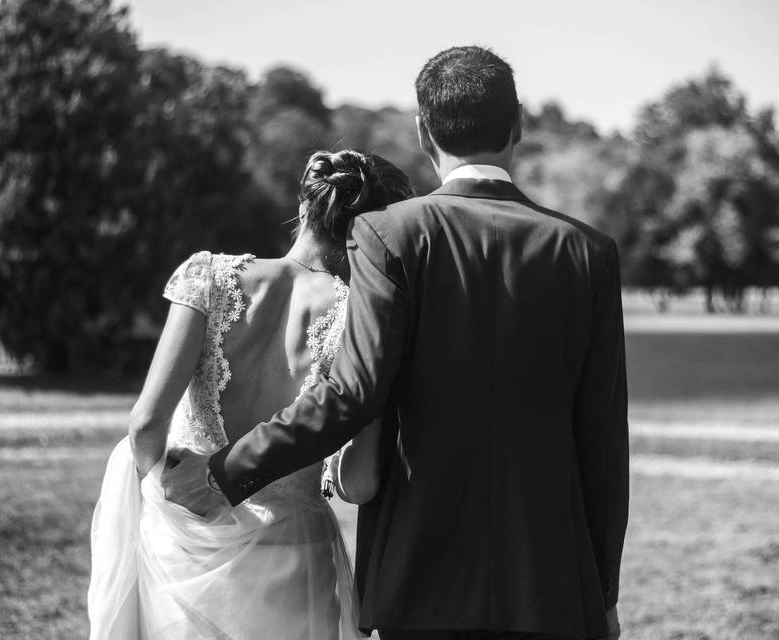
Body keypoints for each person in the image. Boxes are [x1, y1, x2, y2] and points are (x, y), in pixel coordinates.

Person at [164, 45, 629, 640]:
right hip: (550, 583)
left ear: (422, 128)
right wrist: (604, 593)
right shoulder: (588, 253)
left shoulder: (388, 234)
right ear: (518, 125)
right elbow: (603, 442)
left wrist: (224, 473)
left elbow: (349, 395)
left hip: (418, 573)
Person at [87, 149, 414, 640]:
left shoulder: (208, 278)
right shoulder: (361, 319)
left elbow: (144, 426)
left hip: (186, 549)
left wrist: (173, 497)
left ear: (303, 206)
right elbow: (362, 483)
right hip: (292, 555)